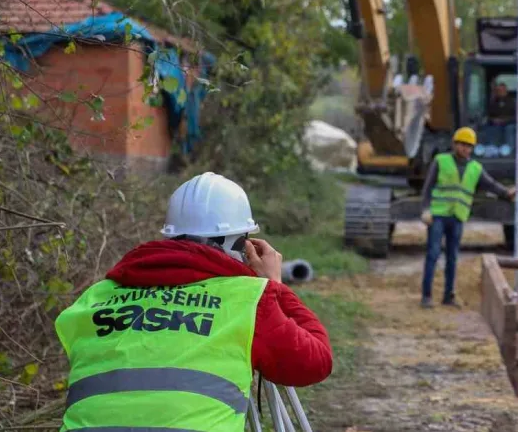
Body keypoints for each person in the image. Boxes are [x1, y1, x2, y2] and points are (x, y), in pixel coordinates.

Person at [53, 172, 333, 432]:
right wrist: (273, 286)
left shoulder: (96, 296)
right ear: (238, 243)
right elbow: (316, 362)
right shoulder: (248, 301)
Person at [419, 127, 517, 308]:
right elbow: (427, 188)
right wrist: (425, 210)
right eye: (462, 145)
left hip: (457, 217)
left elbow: (491, 185)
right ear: (455, 144)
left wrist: (506, 193)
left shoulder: (475, 168)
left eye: (469, 146)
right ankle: (426, 296)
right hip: (438, 216)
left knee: (452, 257)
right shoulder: (441, 161)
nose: (465, 149)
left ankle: (448, 296)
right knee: (433, 254)